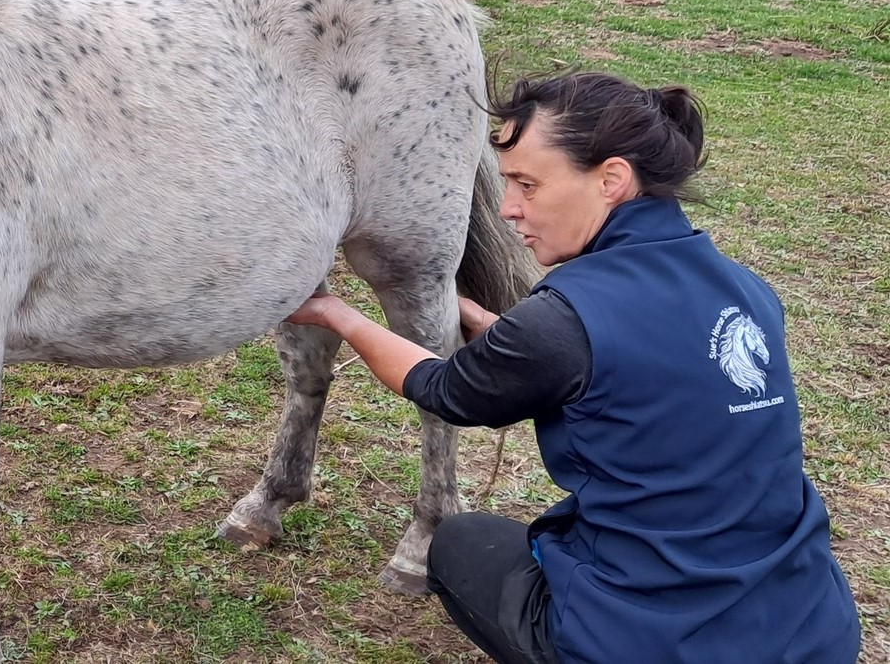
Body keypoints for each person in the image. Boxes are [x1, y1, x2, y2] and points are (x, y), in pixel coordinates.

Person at [288, 72, 860, 664]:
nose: (508, 209)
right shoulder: (747, 289)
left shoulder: (565, 320)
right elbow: (647, 368)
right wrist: (500, 331)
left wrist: (339, 314)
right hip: (811, 628)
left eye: (527, 185)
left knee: (459, 542)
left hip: (654, 642)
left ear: (611, 180)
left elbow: (440, 388)